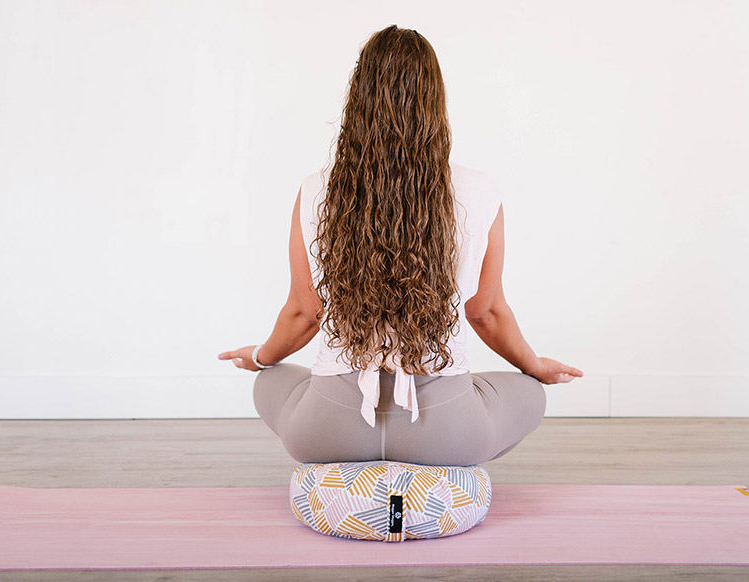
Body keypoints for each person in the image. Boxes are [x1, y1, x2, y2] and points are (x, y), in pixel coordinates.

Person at [218, 24, 582, 466]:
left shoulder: (317, 189)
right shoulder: (480, 190)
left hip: (329, 428)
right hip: (445, 432)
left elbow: (303, 313)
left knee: (270, 381)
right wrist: (535, 365)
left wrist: (260, 356)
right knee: (528, 391)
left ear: (359, 99)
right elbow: (485, 312)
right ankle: (433, 476)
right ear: (434, 101)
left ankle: (357, 473)